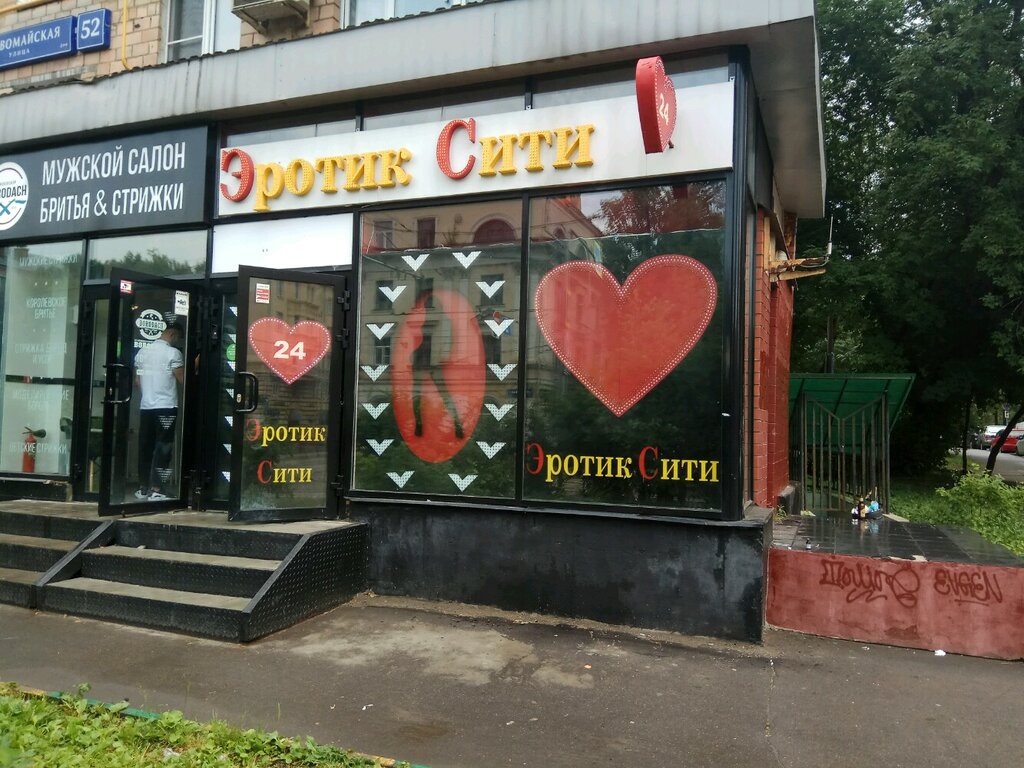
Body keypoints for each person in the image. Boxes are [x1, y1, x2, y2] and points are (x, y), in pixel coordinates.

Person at [134, 321, 184, 500]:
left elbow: (137, 381)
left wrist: (150, 392)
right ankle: (157, 489)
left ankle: (143, 488)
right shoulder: (173, 353)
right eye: (178, 337)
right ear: (172, 334)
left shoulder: (142, 352)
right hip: (166, 406)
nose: (177, 341)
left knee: (145, 447)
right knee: (163, 447)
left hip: (146, 406)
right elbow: (183, 379)